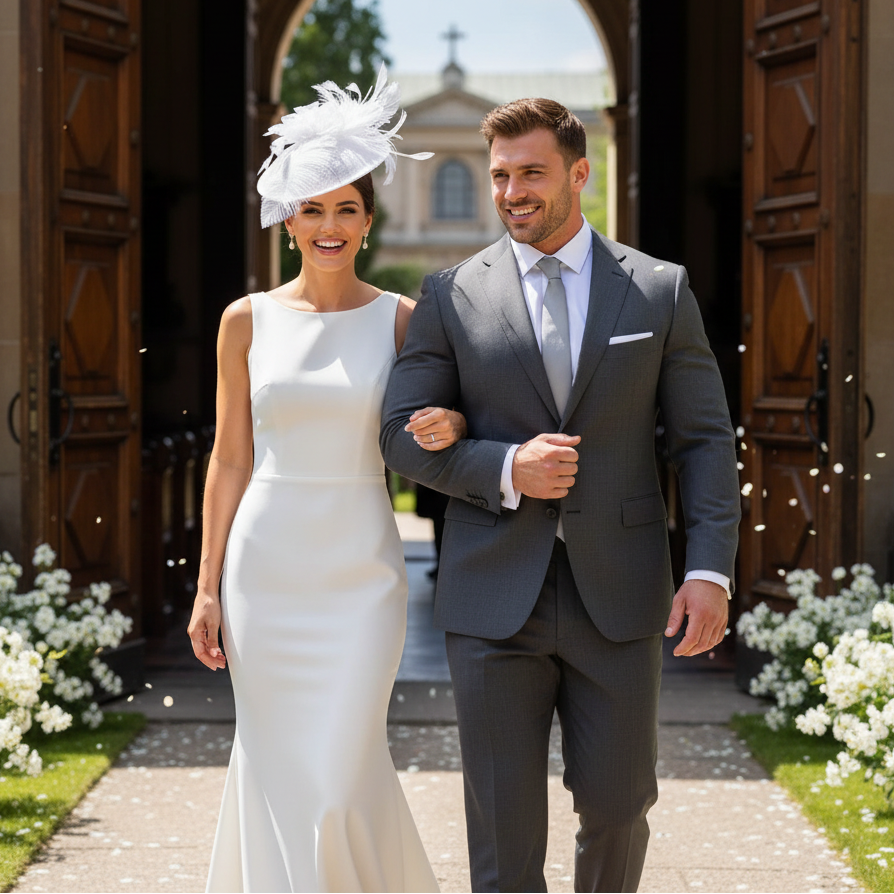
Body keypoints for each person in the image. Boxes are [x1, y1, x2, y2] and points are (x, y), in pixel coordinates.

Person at [380, 98, 741, 893]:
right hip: (490, 596)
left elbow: (705, 441)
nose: (512, 192)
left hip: (619, 592)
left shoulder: (657, 290)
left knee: (619, 807)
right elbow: (400, 436)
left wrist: (709, 571)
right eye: (499, 175)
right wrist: (507, 467)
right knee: (504, 836)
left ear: (580, 173)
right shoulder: (450, 293)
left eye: (531, 173)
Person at [187, 67, 455, 893]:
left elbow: (437, 432)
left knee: (342, 773)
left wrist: (451, 429)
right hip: (265, 569)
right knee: (277, 763)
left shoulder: (404, 319)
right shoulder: (246, 320)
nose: (329, 225)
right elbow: (231, 457)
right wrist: (206, 588)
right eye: (313, 208)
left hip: (361, 573)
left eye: (346, 208)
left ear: (368, 222)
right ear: (287, 220)